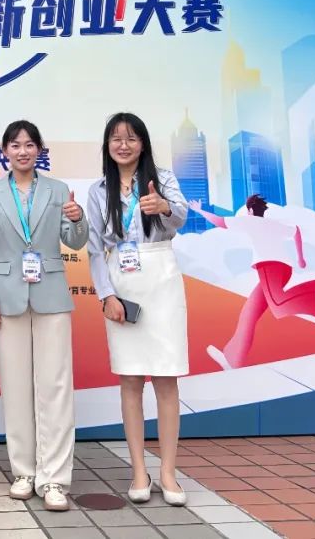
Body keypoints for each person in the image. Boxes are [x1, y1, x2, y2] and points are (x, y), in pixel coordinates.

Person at [0, 120, 87, 512]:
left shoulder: (58, 190)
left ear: (39, 149)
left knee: (55, 385)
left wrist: (77, 217)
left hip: (51, 294)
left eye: (29, 145)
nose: (22, 151)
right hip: (5, 298)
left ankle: (54, 477)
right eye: (15, 145)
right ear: (4, 151)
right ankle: (24, 471)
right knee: (16, 386)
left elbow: (75, 241)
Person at [85, 112, 189, 507]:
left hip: (161, 278)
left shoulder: (163, 179)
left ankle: (168, 472)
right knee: (130, 379)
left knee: (166, 378)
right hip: (122, 284)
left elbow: (180, 219)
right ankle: (139, 471)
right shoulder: (99, 190)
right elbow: (95, 248)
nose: (123, 145)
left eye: (131, 138)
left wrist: (163, 206)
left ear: (143, 143)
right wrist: (106, 295)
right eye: (116, 138)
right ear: (107, 145)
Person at [194, 195, 315, 370]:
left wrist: (199, 210)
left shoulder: (249, 221)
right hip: (283, 269)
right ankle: (232, 358)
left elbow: (219, 221)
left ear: (250, 210)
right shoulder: (272, 224)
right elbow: (296, 231)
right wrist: (300, 258)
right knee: (249, 312)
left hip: (269, 267)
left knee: (278, 305)